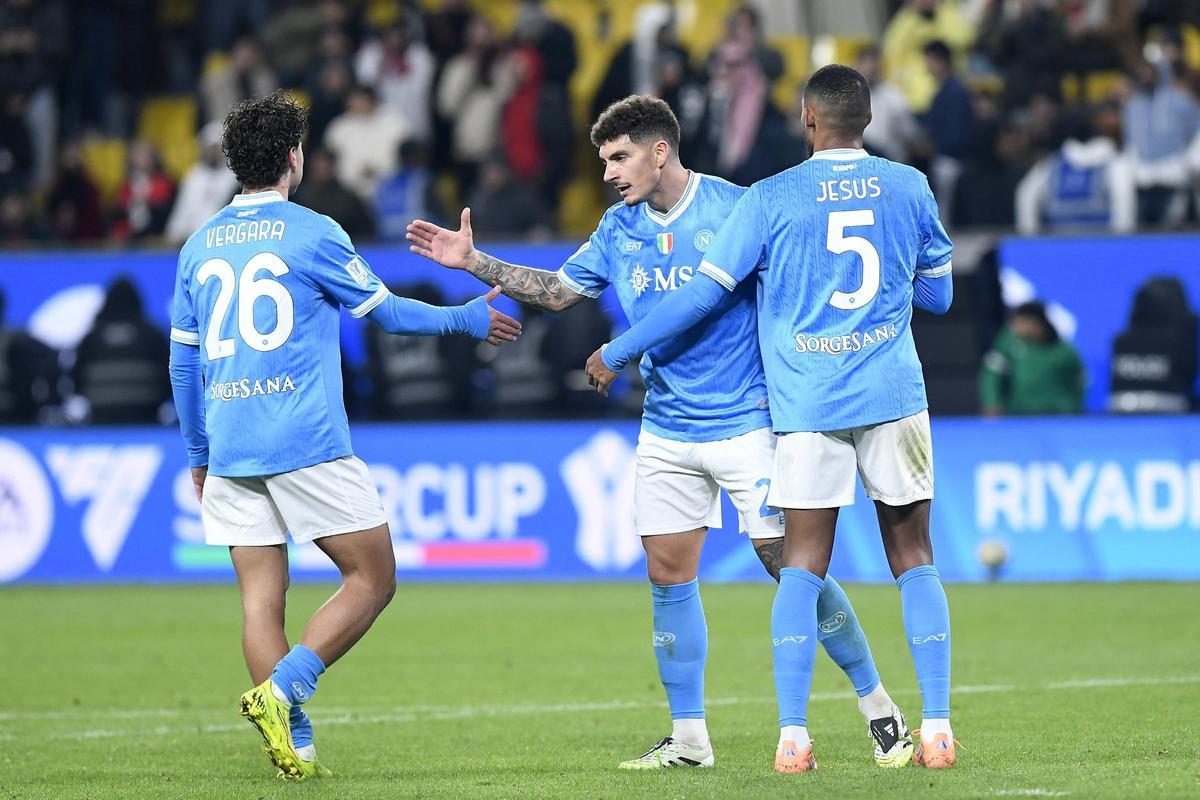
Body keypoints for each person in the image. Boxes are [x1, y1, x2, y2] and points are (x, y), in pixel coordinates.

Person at [407, 95, 910, 771]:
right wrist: (475, 262)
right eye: (604, 160)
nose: (610, 173)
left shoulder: (738, 207)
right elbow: (558, 291)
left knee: (791, 568)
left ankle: (877, 705)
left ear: (660, 150)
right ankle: (690, 740)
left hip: (748, 422)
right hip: (667, 427)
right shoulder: (619, 230)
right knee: (668, 575)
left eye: (619, 157)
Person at [586, 67, 957, 773]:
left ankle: (794, 739)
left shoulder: (769, 196)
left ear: (808, 120)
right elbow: (937, 298)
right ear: (868, 119)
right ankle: (935, 730)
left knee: (800, 568)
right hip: (891, 393)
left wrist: (619, 349)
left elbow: (701, 296)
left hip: (805, 403)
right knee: (913, 557)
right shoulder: (908, 185)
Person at [168, 91, 520, 781]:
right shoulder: (313, 231)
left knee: (261, 600)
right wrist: (466, 321)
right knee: (373, 576)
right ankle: (282, 692)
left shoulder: (197, 244)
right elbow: (384, 314)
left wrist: (198, 454)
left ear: (234, 163)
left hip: (232, 441)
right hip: (302, 438)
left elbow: (184, 362)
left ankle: (293, 744)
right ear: (294, 158)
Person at [980, 301, 1085, 415]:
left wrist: (1072, 408)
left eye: (1022, 322)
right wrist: (992, 402)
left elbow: (1079, 382)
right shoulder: (1008, 343)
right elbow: (991, 375)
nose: (1015, 327)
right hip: (1017, 416)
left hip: (1057, 417)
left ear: (1038, 325)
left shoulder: (1065, 352)